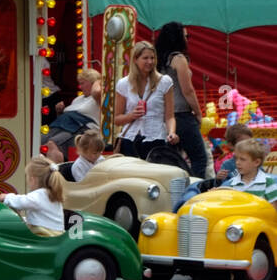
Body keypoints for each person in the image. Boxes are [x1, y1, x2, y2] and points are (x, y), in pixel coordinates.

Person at [156, 22, 210, 178]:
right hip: (182, 114)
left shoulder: (159, 60)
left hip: (165, 116)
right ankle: (194, 191)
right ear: (178, 38)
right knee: (199, 158)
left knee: (173, 160)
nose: (187, 39)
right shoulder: (179, 59)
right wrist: (199, 113)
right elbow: (188, 90)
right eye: (186, 36)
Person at [114, 40, 176, 159]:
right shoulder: (123, 84)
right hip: (130, 140)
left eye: (152, 58)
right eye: (145, 58)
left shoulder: (164, 81)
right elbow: (117, 119)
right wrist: (131, 115)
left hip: (156, 139)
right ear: (135, 60)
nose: (150, 62)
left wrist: (172, 132)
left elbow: (170, 116)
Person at [42, 68, 104, 162]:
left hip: (81, 128)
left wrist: (98, 80)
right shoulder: (78, 99)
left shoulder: (97, 99)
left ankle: (55, 174)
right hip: (63, 126)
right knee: (41, 140)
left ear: (92, 82)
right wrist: (59, 112)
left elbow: (96, 91)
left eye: (83, 83)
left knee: (53, 143)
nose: (80, 87)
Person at [3, 155, 66, 236]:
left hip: (44, 234)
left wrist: (6, 197)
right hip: (56, 233)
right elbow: (41, 217)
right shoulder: (51, 194)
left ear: (32, 180)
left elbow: (22, 202)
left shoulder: (40, 194)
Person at [215, 139, 277, 206]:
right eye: (236, 159)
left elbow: (273, 210)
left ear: (256, 162)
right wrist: (215, 194)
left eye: (242, 159)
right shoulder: (232, 184)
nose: (237, 162)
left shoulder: (267, 182)